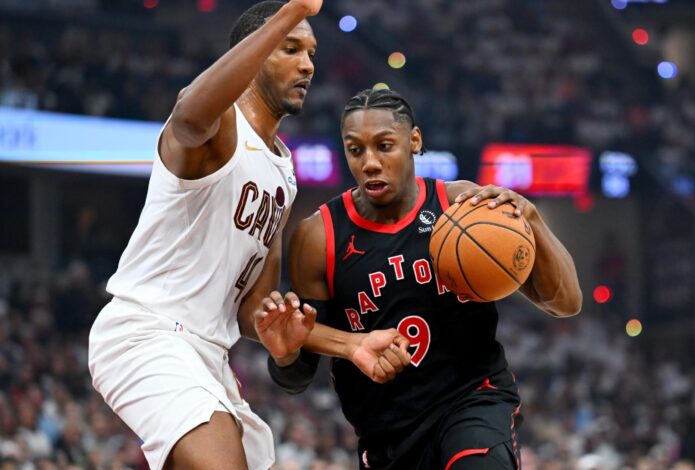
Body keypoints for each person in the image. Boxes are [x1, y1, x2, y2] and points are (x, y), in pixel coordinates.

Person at [87, 3, 407, 469]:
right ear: (252, 53)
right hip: (146, 330)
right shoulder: (218, 128)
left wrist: (347, 343)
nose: (307, 65)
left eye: (312, 53)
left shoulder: (283, 172)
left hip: (208, 354)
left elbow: (252, 308)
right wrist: (290, 10)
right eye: (291, 48)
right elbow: (189, 115)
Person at [270, 88, 583, 469]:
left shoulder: (464, 207)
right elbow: (297, 375)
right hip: (387, 431)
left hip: (472, 400)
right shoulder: (318, 237)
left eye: (385, 146)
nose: (370, 162)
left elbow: (565, 302)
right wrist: (285, 355)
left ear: (414, 141)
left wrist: (531, 218)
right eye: (356, 150)